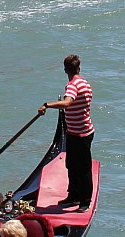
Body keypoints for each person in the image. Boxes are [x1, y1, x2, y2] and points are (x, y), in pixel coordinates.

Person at [39, 54, 94, 210]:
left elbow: (68, 102)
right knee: (72, 165)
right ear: (79, 68)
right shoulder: (85, 83)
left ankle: (84, 201)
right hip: (78, 132)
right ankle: (74, 197)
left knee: (83, 169)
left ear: (65, 70)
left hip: (80, 134)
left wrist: (47, 105)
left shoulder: (72, 85)